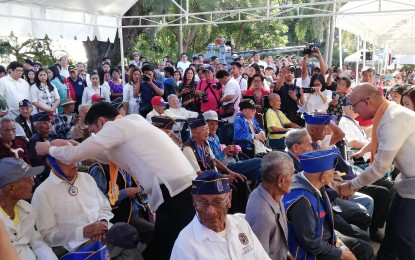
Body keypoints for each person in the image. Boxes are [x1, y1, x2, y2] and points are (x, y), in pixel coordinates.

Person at [35, 102, 197, 260]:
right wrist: (76, 145)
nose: (95, 137)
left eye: (93, 132)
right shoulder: (132, 121)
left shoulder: (116, 127)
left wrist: (49, 149)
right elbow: (107, 156)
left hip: (174, 191)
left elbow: (74, 156)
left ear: (101, 121)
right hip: (178, 189)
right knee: (164, 243)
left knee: (168, 245)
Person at [339, 83, 415, 259]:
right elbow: (379, 142)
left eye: (354, 105)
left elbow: (381, 167)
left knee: (405, 233)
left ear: (366, 101)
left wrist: (352, 185)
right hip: (408, 180)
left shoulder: (394, 118)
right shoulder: (388, 113)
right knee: (394, 226)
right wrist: (364, 151)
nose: (354, 110)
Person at [283, 149, 374, 260]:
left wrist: (337, 240)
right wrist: (339, 254)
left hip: (323, 238)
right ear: (323, 176)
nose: (335, 174)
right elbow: (309, 242)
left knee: (364, 247)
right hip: (309, 253)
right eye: (332, 171)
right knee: (363, 252)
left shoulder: (312, 182)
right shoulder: (302, 201)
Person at [31, 140, 114, 258]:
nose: (75, 165)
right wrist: (84, 232)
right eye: (67, 160)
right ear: (50, 162)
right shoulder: (42, 193)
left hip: (105, 232)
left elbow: (104, 207)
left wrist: (103, 222)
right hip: (78, 247)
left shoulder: (87, 178)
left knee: (129, 234)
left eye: (75, 158)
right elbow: (47, 235)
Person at [170, 170, 271, 260]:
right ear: (194, 202)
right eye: (202, 203)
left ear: (229, 199)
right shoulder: (185, 245)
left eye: (218, 202)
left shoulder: (241, 224)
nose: (211, 211)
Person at [0, 157, 57, 260]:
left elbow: (37, 243)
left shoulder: (26, 208)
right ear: (11, 188)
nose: (33, 182)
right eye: (28, 178)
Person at [245, 151, 294, 260]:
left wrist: (287, 254)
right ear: (281, 180)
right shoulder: (262, 215)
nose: (293, 179)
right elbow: (258, 256)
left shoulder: (271, 194)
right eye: (292, 175)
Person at [203, 110, 263, 185]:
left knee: (259, 172)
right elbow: (211, 161)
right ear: (204, 125)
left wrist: (230, 152)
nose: (214, 127)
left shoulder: (215, 136)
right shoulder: (204, 140)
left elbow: (220, 153)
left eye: (216, 124)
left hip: (233, 162)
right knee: (260, 161)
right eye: (211, 124)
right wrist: (224, 152)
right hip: (226, 167)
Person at [27, 112, 58, 187]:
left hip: (59, 168)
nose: (48, 125)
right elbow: (37, 162)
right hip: (44, 175)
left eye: (49, 122)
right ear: (36, 127)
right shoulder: (33, 141)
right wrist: (55, 171)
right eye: (44, 123)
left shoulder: (54, 136)